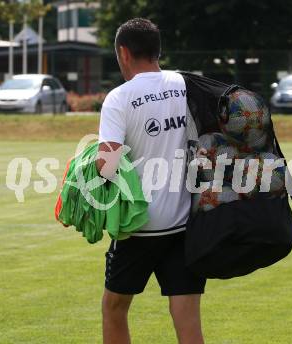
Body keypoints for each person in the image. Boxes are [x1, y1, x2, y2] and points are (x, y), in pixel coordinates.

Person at [96, 18, 206, 344]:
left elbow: (107, 166)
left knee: (114, 308)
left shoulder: (119, 98)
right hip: (185, 224)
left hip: (139, 225)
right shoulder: (187, 84)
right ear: (158, 50)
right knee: (186, 316)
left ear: (124, 53)